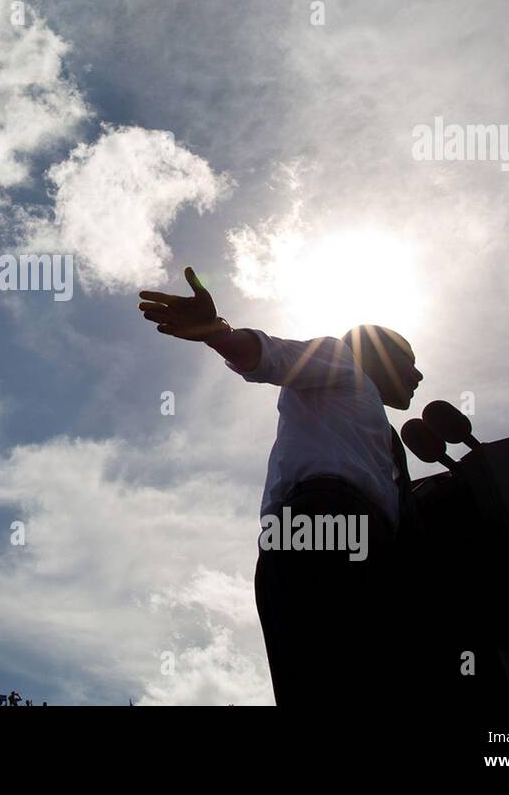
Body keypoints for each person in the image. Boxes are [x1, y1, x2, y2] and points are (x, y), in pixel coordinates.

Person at [139, 266, 424, 706]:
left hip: (321, 535)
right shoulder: (340, 361)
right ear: (378, 353)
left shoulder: (374, 425)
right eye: (409, 360)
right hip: (330, 522)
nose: (417, 375)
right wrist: (217, 332)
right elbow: (271, 357)